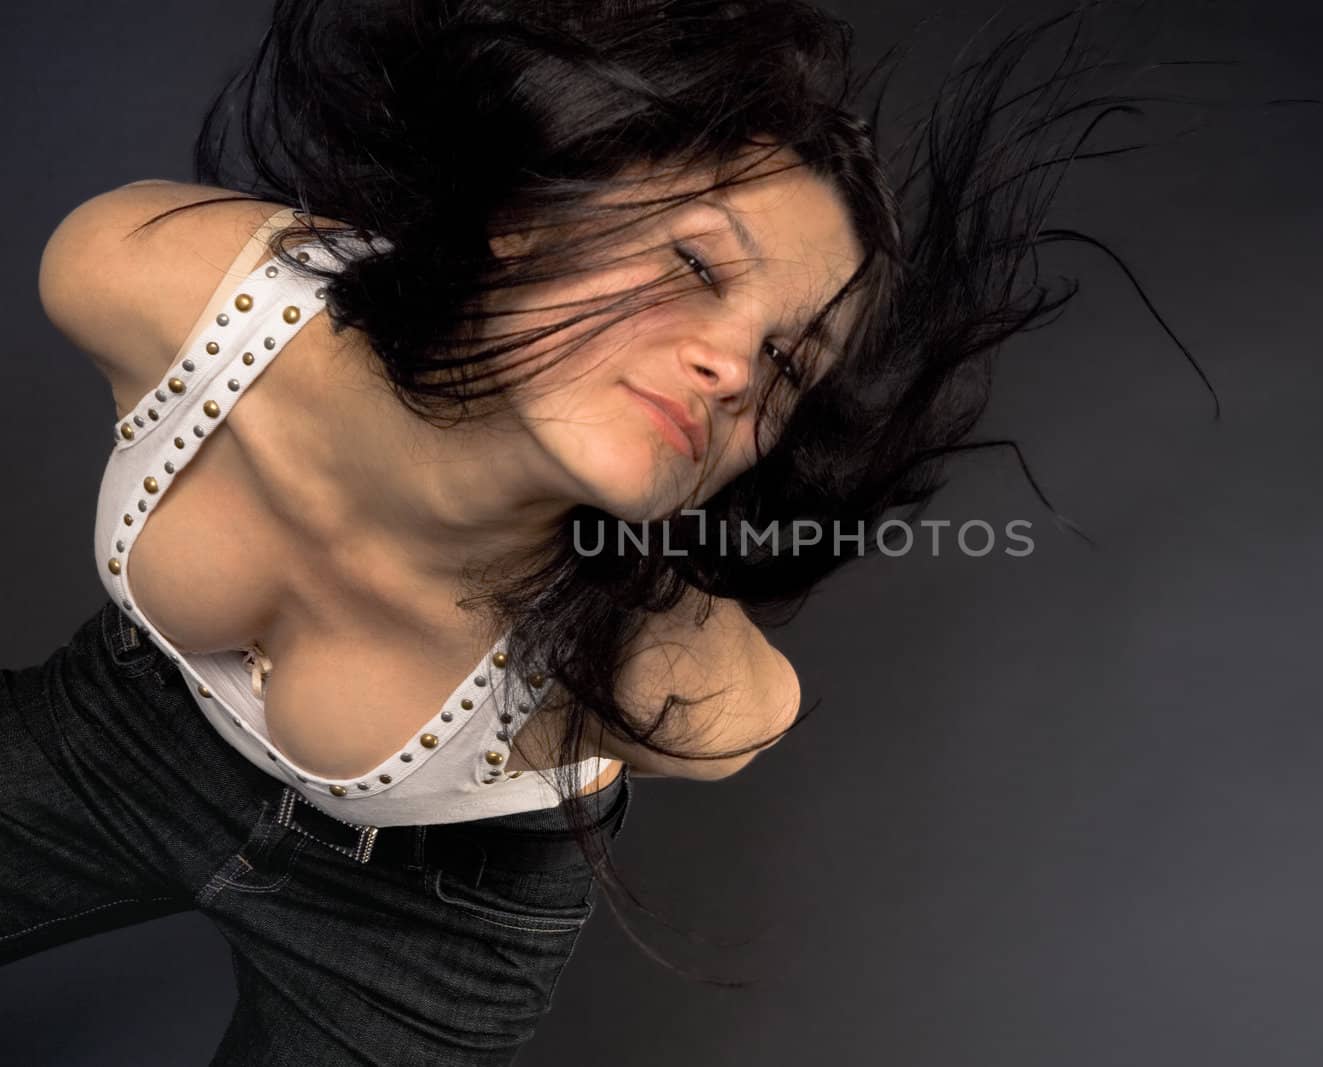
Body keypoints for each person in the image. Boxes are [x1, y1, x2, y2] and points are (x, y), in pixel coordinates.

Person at [3, 0, 1186, 1062]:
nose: (732, 365)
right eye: (692, 261)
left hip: (429, 919)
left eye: (788, 361)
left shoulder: (668, 673)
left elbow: (744, 717)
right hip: (121, 735)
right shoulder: (163, 283)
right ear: (521, 214)